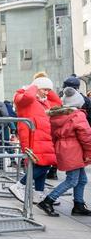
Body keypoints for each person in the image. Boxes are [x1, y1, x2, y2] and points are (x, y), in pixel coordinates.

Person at [7, 72, 61, 204]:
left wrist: (47, 87)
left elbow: (58, 103)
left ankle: (38, 193)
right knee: (42, 165)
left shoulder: (43, 102)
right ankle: (19, 185)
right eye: (45, 89)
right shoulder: (23, 96)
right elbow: (27, 97)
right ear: (36, 87)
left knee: (44, 164)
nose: (47, 93)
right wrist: (34, 86)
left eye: (49, 90)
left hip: (43, 137)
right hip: (32, 137)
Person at [37, 87, 91, 217]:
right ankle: (48, 200)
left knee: (82, 179)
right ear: (78, 102)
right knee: (72, 180)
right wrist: (89, 153)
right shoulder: (78, 114)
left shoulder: (58, 115)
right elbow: (86, 136)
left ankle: (78, 204)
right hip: (74, 149)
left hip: (64, 148)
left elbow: (53, 134)